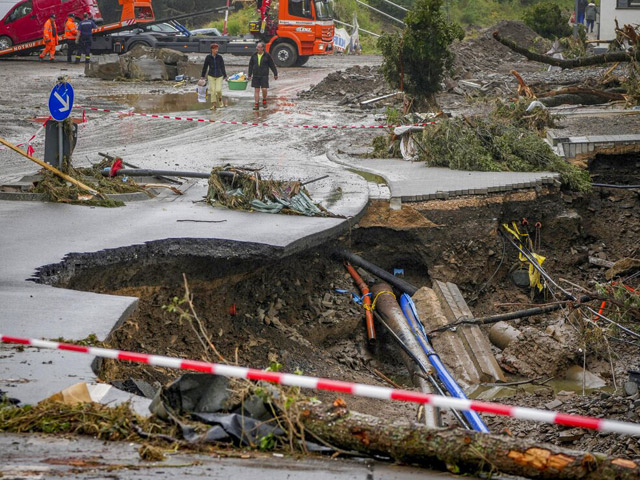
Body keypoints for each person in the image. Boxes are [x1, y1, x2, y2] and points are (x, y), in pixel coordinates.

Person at [248, 42, 278, 110]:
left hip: (264, 75)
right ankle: (256, 104)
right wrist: (249, 74)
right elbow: (250, 65)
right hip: (256, 75)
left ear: (263, 48)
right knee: (256, 90)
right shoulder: (254, 55)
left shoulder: (267, 55)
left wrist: (275, 73)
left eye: (258, 47)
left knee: (264, 89)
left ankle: (264, 99)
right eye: (257, 47)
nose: (257, 48)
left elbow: (272, 65)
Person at [200, 43, 227, 110]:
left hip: (219, 76)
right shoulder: (208, 57)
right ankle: (214, 105)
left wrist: (225, 76)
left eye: (217, 49)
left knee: (218, 90)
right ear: (212, 49)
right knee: (212, 91)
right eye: (215, 49)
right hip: (211, 75)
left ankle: (220, 101)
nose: (216, 50)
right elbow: (205, 67)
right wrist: (202, 76)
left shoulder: (220, 57)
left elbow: (222, 67)